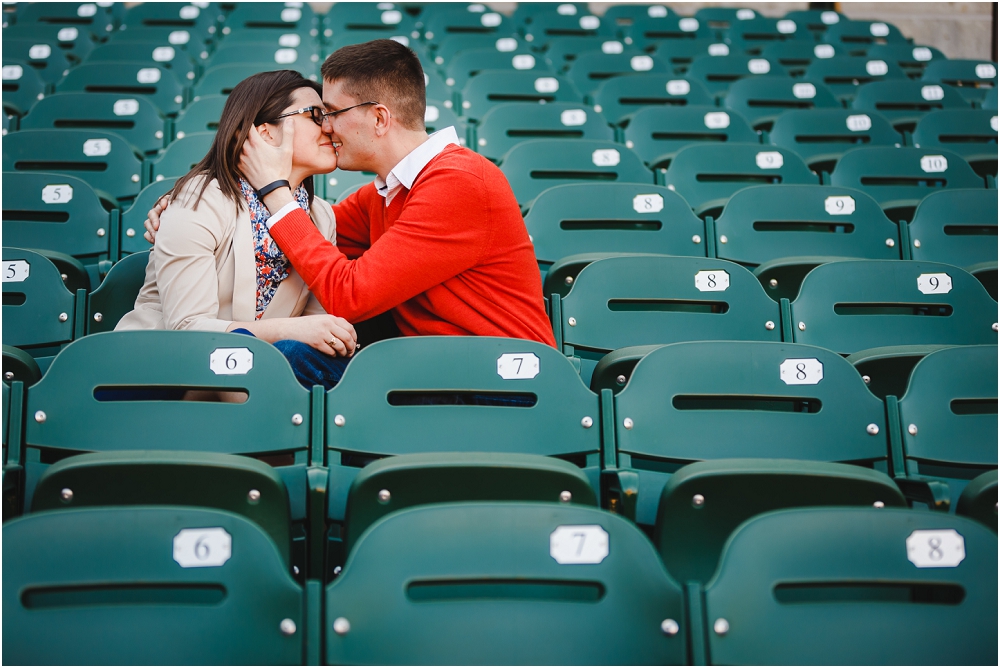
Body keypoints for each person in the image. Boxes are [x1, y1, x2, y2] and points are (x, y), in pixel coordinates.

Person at [146, 39, 555, 348]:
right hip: (437, 370)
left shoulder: (460, 181)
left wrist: (274, 190)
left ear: (379, 118)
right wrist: (182, 203)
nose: (328, 127)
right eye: (317, 115)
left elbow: (348, 293)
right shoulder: (383, 195)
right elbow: (299, 237)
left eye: (332, 113)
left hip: (506, 377)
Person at [118, 69, 357, 390]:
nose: (329, 126)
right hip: (167, 375)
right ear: (264, 133)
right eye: (316, 115)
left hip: (257, 378)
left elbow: (316, 328)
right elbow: (187, 329)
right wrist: (291, 331)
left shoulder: (321, 216)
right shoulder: (200, 199)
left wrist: (310, 334)